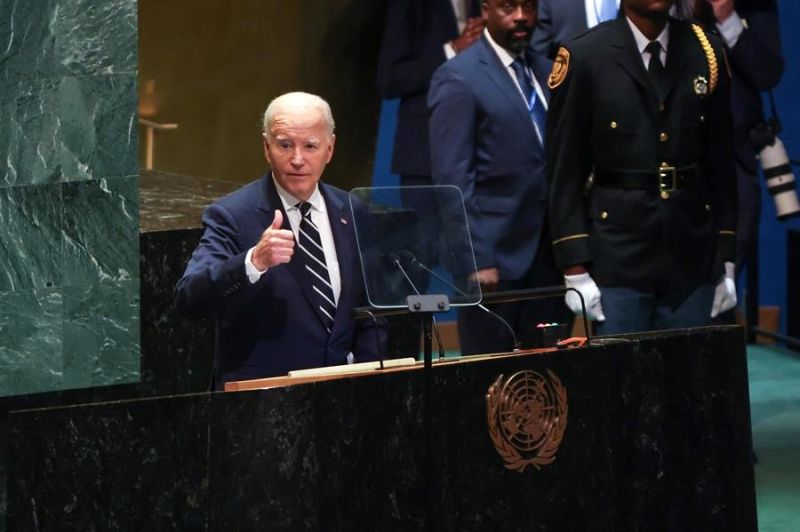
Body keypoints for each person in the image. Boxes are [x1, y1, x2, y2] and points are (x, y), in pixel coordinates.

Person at [546, 0, 738, 335]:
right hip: (618, 256)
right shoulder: (586, 55)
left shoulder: (704, 50)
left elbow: (720, 162)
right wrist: (574, 266)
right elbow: (565, 170)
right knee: (623, 380)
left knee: (688, 380)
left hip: (691, 254)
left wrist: (727, 257)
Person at [175, 92, 385, 388]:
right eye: (285, 145)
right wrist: (254, 261)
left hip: (344, 398)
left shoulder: (352, 210)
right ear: (266, 147)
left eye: (310, 146)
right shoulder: (233, 214)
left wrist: (367, 376)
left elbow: (371, 309)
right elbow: (188, 298)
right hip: (263, 404)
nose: (297, 159)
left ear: (330, 148)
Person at [428, 0, 569, 355]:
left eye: (529, 7)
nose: (521, 16)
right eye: (509, 7)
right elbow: (453, 177)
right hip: (493, 259)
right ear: (486, 9)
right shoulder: (459, 75)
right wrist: (476, 257)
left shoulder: (549, 71)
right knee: (491, 381)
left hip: (550, 255)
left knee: (549, 376)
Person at [691, 0, 784, 322]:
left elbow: (768, 73)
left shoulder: (755, 6)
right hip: (673, 160)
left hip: (735, 162)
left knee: (723, 293)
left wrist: (726, 17)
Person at [377, 0, 485, 189]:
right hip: (425, 160)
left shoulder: (484, 5)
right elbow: (389, 80)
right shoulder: (410, 5)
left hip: (479, 159)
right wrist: (453, 50)